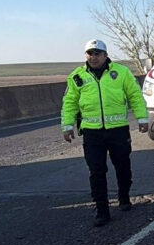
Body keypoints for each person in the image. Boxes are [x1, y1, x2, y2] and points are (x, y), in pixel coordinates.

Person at [61, 39, 149, 227]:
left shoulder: (121, 72)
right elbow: (70, 103)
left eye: (97, 53)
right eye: (89, 53)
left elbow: (135, 95)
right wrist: (67, 125)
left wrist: (142, 119)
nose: (93, 57)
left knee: (123, 166)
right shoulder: (77, 76)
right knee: (96, 171)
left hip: (118, 130)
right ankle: (102, 210)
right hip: (92, 133)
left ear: (105, 55)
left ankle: (124, 197)